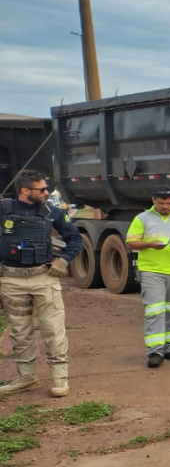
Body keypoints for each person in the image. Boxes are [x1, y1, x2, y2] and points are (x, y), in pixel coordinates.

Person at [0, 170, 82, 397]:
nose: (48, 192)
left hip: (44, 279)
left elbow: (75, 238)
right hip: (11, 280)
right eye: (42, 189)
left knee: (53, 330)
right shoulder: (4, 209)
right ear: (25, 191)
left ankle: (60, 379)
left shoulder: (53, 212)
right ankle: (27, 378)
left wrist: (64, 260)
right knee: (20, 332)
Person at [126, 185, 170, 368]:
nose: (165, 206)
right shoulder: (142, 218)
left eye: (168, 203)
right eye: (161, 203)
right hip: (152, 270)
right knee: (155, 311)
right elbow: (131, 242)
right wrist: (150, 244)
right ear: (153, 201)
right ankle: (155, 352)